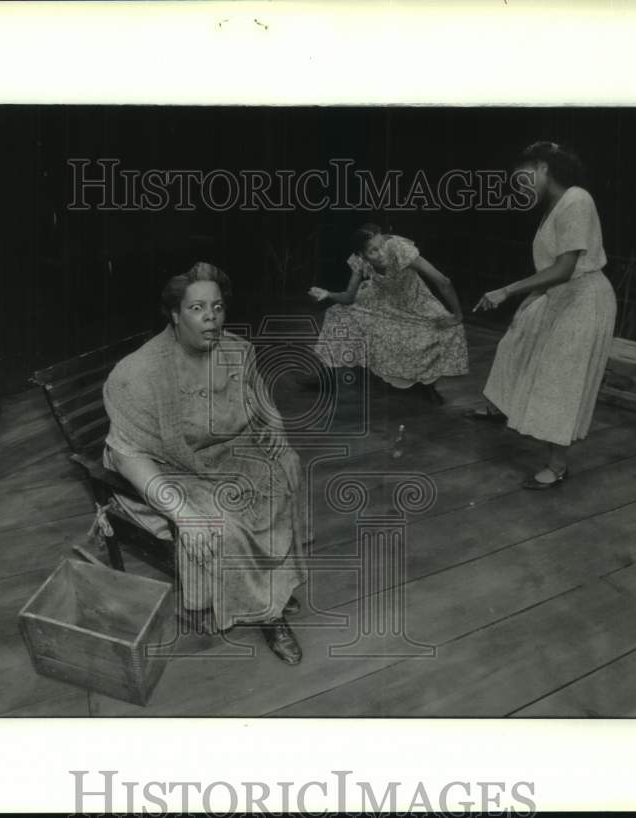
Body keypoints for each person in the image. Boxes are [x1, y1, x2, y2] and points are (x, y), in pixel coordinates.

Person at [101, 262, 307, 664]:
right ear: (174, 315)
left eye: (217, 307)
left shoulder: (234, 350)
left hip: (225, 455)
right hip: (170, 471)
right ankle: (270, 613)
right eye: (196, 308)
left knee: (282, 472)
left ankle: (274, 585)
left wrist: (277, 433)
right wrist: (183, 515)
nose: (211, 318)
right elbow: (128, 457)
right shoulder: (138, 374)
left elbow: (260, 397)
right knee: (220, 523)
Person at [471, 141, 617, 489]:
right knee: (516, 342)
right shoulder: (556, 206)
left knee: (559, 381)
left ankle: (558, 465)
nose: (519, 188)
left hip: (584, 299)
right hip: (561, 296)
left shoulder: (577, 200)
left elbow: (566, 268)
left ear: (542, 167)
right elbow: (553, 271)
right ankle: (502, 408)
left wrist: (507, 291)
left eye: (522, 178)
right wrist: (529, 301)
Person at [307, 224, 469, 403]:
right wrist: (328, 294)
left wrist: (458, 315)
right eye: (373, 251)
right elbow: (348, 297)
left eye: (382, 244)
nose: (382, 252)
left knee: (444, 331)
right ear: (362, 255)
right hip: (379, 299)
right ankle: (326, 377)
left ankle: (427, 384)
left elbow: (443, 282)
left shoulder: (401, 250)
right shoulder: (359, 260)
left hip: (415, 302)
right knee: (337, 315)